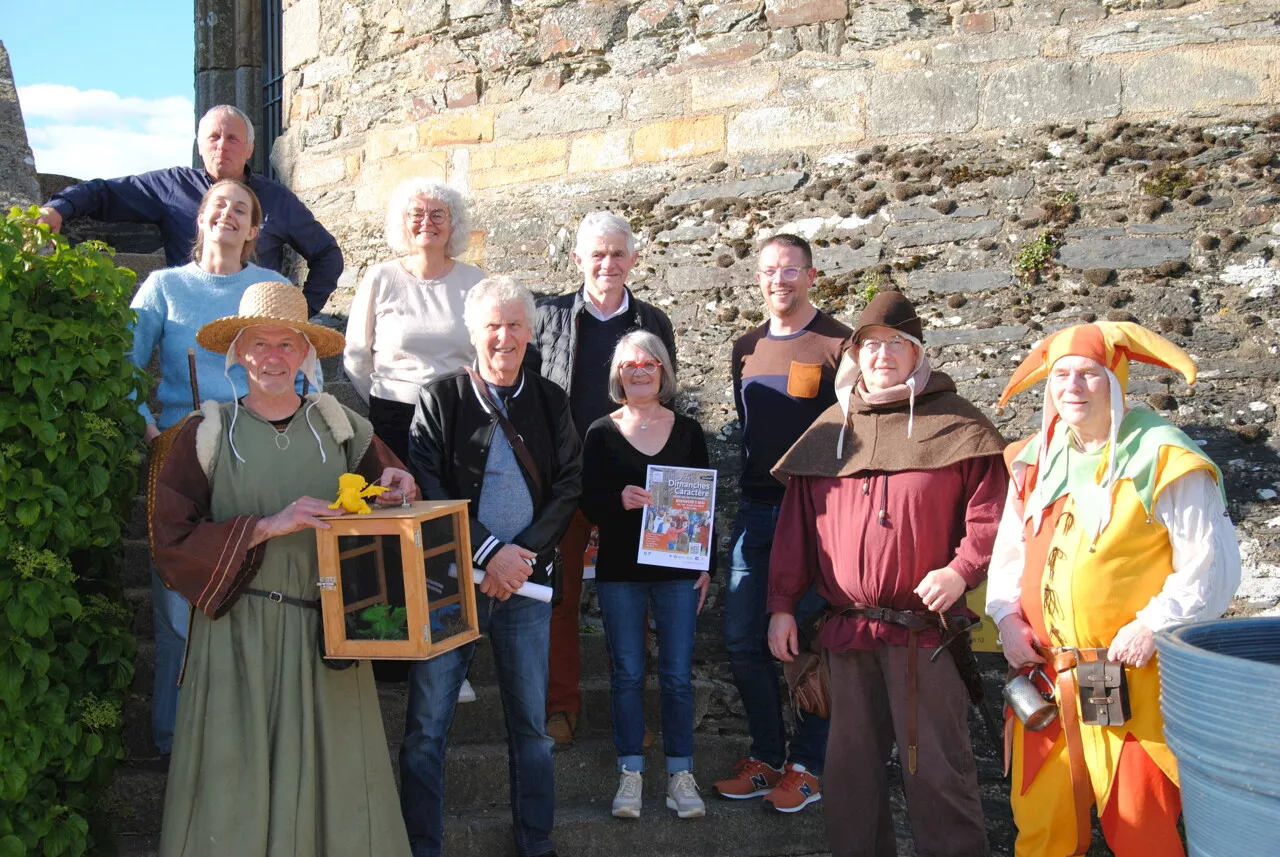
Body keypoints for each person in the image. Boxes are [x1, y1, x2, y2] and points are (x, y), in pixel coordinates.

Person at [149, 280, 416, 856]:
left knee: (339, 788)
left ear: (305, 354)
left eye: (286, 344)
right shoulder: (204, 432)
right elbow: (170, 541)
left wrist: (400, 488)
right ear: (238, 353)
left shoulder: (344, 427)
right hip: (238, 638)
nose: (272, 357)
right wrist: (267, 526)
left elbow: (395, 497)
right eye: (259, 344)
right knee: (233, 784)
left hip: (330, 636)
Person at [987, 321, 1242, 857]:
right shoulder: (1034, 460)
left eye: (1087, 375)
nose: (1071, 387)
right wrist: (1007, 618)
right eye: (1060, 375)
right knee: (1041, 828)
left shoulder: (1163, 455)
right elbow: (1009, 553)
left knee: (1142, 827)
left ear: (1115, 380)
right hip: (1048, 681)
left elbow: (1210, 565)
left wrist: (1154, 623)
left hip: (1133, 679)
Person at [767, 292, 1006, 856]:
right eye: (870, 345)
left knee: (939, 773)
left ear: (918, 353)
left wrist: (959, 571)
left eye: (896, 344)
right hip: (847, 636)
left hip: (926, 635)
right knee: (851, 778)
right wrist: (781, 604)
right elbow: (798, 528)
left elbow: (994, 515)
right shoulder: (830, 430)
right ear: (855, 355)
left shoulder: (959, 425)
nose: (882, 355)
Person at [401, 276, 582, 857]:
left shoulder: (552, 400)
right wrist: (486, 555)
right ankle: (422, 847)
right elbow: (428, 486)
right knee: (427, 728)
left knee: (531, 729)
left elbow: (569, 484)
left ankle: (536, 843)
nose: (503, 336)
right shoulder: (442, 398)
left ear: (530, 333)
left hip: (523, 587)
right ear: (472, 331)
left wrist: (521, 557)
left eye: (514, 325)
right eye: (492, 325)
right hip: (451, 582)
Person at [128, 178, 300, 756]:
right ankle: (177, 741)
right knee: (181, 607)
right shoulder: (164, 287)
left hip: (260, 454)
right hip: (183, 458)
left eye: (242, 209)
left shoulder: (273, 288)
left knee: (258, 599)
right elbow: (119, 367)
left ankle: (247, 739)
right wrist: (151, 430)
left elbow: (307, 377)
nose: (228, 214)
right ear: (200, 219)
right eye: (218, 205)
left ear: (255, 230)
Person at [526, 211, 677, 748]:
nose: (608, 264)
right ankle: (561, 708)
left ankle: (631, 717)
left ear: (633, 259)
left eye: (617, 253)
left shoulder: (654, 321)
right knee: (560, 599)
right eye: (597, 254)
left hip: (632, 485)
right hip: (566, 481)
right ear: (578, 260)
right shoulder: (548, 318)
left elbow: (668, 401)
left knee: (633, 601)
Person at [714, 233, 849, 812]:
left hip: (819, 516)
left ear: (812, 276)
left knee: (812, 645)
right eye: (770, 271)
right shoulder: (745, 347)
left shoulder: (841, 343)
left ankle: (809, 766)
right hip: (757, 512)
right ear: (758, 279)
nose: (780, 281)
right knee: (744, 640)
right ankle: (767, 758)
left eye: (791, 270)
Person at [580, 331, 713, 821]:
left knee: (677, 676)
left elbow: (707, 503)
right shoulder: (599, 431)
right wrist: (616, 500)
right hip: (620, 572)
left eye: (648, 364)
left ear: (663, 371)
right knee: (628, 674)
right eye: (629, 365)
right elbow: (586, 499)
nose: (638, 371)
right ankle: (630, 774)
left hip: (678, 571)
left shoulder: (689, 432)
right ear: (618, 374)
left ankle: (681, 774)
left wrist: (706, 565)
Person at [37, 104, 342, 316]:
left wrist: (301, 309)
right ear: (199, 146)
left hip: (258, 325)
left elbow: (327, 253)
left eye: (232, 138)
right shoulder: (172, 187)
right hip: (191, 317)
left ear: (249, 149)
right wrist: (57, 209)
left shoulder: (277, 199)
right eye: (213, 137)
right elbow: (105, 193)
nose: (222, 145)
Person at [343, 178, 485, 463]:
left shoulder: (475, 281)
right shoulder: (380, 278)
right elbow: (356, 352)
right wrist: (383, 397)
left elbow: (485, 350)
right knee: (399, 502)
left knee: (453, 504)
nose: (427, 222)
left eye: (438, 214)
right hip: (393, 415)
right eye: (417, 214)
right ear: (403, 223)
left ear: (453, 224)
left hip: (458, 414)